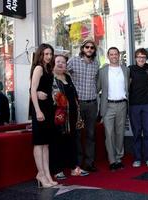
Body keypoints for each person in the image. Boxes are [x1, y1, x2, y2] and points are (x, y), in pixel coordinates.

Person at [50, 55, 89, 180]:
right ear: (53, 63)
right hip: (58, 116)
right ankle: (57, 169)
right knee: (57, 142)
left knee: (72, 141)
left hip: (72, 114)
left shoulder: (67, 77)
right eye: (58, 62)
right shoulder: (50, 78)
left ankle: (74, 168)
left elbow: (73, 95)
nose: (61, 64)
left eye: (63, 62)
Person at [67, 38, 99, 172]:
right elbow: (63, 73)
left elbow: (96, 81)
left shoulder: (96, 64)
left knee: (91, 134)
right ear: (82, 48)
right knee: (78, 134)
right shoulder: (73, 61)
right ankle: (78, 163)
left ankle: (89, 163)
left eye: (92, 47)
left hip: (92, 103)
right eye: (87, 47)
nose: (89, 49)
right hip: (78, 104)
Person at [30, 43, 57, 188]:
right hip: (39, 109)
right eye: (46, 54)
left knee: (46, 144)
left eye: (50, 54)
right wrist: (37, 110)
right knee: (39, 143)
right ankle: (40, 173)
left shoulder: (48, 69)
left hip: (48, 108)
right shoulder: (39, 68)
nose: (49, 56)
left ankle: (47, 174)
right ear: (40, 54)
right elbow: (33, 90)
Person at [98, 47, 129, 171]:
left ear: (119, 55)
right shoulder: (102, 71)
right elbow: (97, 88)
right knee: (109, 133)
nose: (114, 56)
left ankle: (119, 158)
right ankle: (112, 160)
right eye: (111, 54)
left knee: (120, 132)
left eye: (116, 54)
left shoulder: (126, 70)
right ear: (108, 56)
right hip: (108, 105)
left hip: (122, 105)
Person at [128, 48, 148, 167]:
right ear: (135, 58)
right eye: (139, 57)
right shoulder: (130, 69)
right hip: (134, 105)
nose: (141, 59)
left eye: (143, 57)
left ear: (146, 58)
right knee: (137, 132)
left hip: (147, 104)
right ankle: (138, 158)